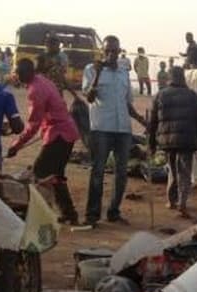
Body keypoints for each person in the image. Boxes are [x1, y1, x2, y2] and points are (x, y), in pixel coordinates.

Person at [82, 35, 147, 227]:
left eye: (114, 51)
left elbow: (127, 103)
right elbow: (90, 97)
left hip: (123, 130)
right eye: (107, 51)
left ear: (119, 52)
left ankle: (114, 211)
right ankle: (92, 215)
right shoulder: (91, 70)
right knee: (98, 172)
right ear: (102, 51)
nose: (111, 54)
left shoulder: (123, 72)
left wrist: (141, 119)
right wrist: (98, 75)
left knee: (121, 173)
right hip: (101, 128)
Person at [8, 58, 80, 224]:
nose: (17, 76)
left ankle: (37, 214)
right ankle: (69, 213)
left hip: (59, 135)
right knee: (56, 175)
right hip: (65, 132)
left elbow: (33, 125)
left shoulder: (35, 90)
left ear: (27, 73)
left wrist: (16, 146)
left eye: (19, 73)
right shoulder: (42, 80)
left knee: (39, 173)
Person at [148, 66, 197, 218]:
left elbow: (152, 123)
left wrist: (151, 145)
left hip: (167, 141)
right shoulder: (191, 95)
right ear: (183, 78)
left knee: (172, 171)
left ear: (169, 78)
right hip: (187, 141)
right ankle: (182, 203)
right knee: (184, 173)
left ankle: (171, 201)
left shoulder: (160, 95)